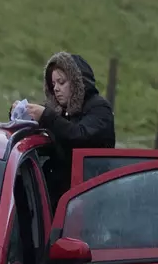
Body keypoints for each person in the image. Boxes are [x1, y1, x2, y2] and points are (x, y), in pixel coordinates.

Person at [21, 51, 116, 200]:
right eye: (53, 84)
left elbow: (79, 135)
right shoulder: (61, 111)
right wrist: (22, 112)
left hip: (89, 197)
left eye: (62, 82)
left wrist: (45, 116)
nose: (56, 88)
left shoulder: (99, 109)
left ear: (78, 82)